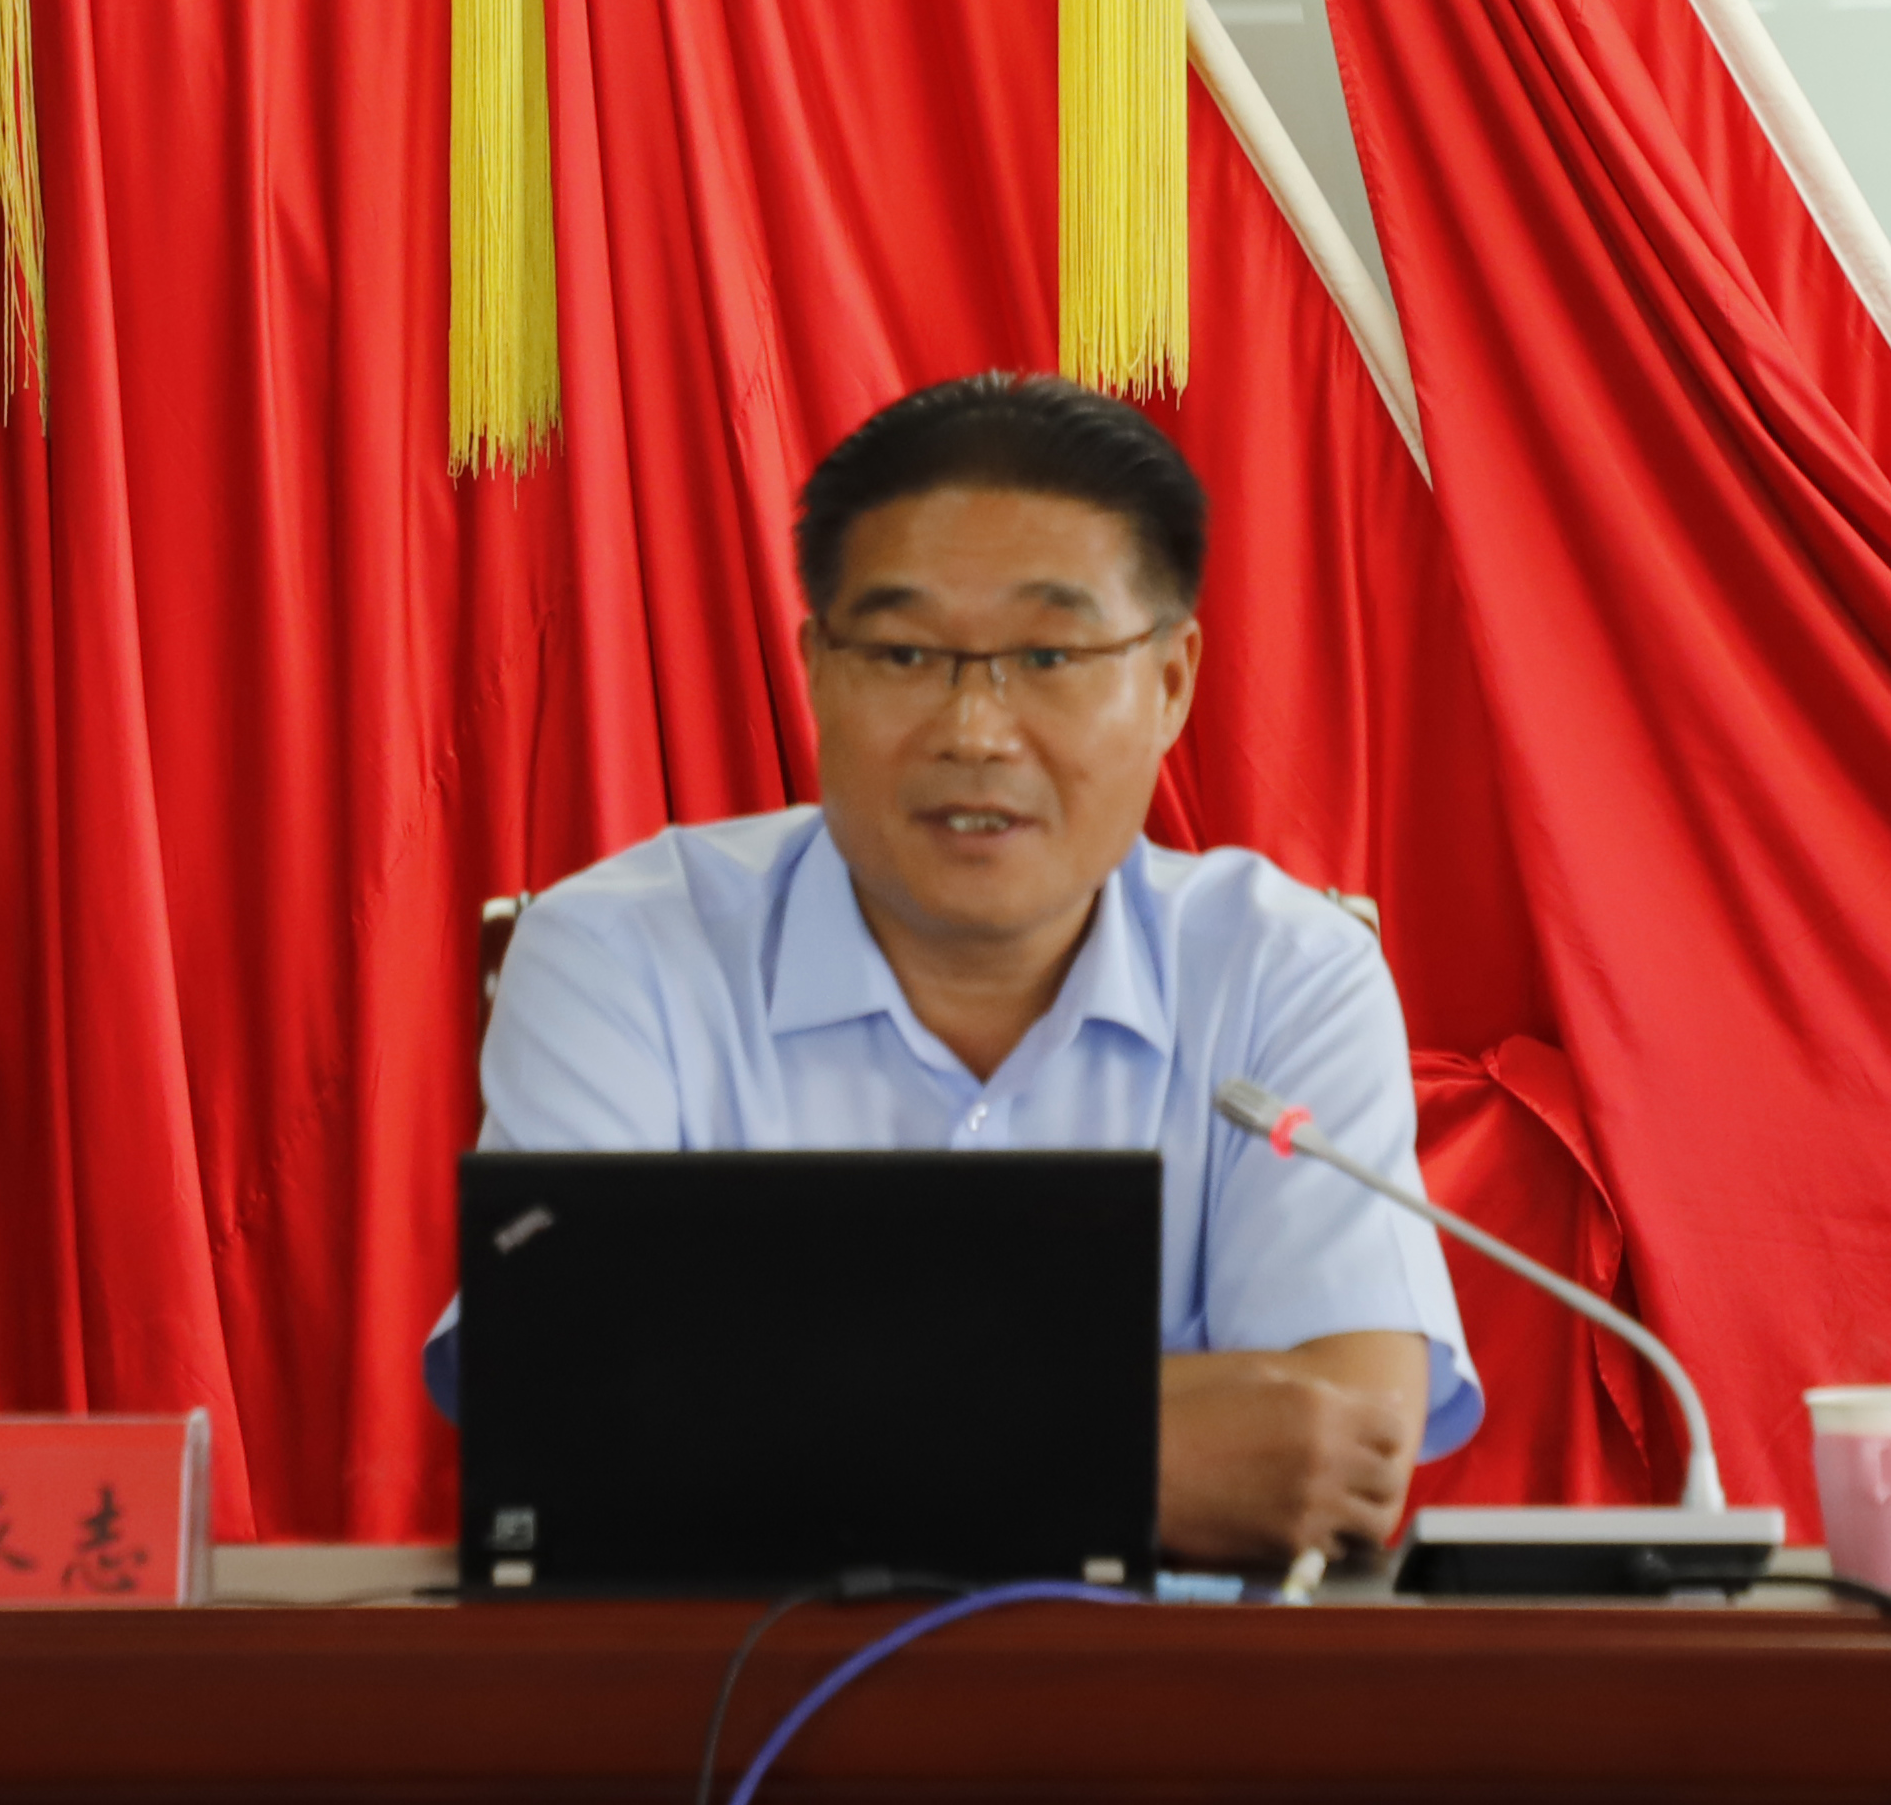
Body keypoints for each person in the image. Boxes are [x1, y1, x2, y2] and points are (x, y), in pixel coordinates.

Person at [424, 372, 1477, 1566]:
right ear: (818, 669)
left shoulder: (1284, 974)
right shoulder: (619, 956)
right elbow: (558, 1424)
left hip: (1173, 1687)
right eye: (906, 652)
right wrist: (1131, 1444)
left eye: (1049, 652)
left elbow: (1340, 1456)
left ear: (1170, 682)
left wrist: (752, 1423)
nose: (975, 729)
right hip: (732, 1683)